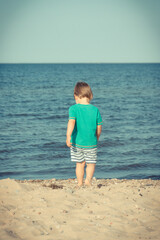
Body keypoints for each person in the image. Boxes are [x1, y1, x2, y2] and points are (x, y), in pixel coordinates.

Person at [66, 82, 103, 186]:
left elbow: (71, 122)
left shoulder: (73, 108)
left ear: (75, 96)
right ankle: (88, 181)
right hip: (91, 142)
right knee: (91, 163)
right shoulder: (95, 110)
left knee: (80, 164)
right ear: (90, 95)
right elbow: (99, 127)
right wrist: (97, 137)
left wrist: (68, 136)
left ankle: (79, 183)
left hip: (77, 143)